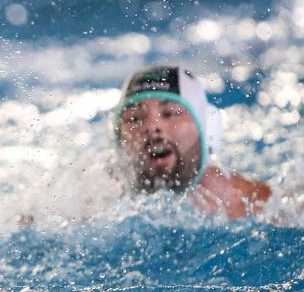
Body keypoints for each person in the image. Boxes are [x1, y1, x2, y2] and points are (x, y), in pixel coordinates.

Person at [113, 65, 271, 219]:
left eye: (170, 113)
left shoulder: (244, 200)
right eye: (134, 118)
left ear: (207, 130)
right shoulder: (102, 197)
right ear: (118, 136)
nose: (152, 126)